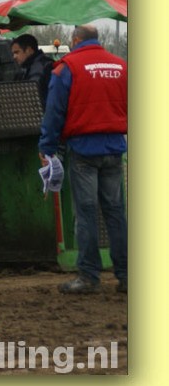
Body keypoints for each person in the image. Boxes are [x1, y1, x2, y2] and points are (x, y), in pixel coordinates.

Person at [38, 25, 127, 295]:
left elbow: (54, 110)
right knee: (115, 213)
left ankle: (88, 276)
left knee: (86, 213)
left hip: (84, 151)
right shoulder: (121, 66)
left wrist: (47, 147)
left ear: (75, 40)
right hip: (114, 148)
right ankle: (126, 276)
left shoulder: (67, 68)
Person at [11, 33, 55, 105]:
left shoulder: (47, 67)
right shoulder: (23, 71)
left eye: (17, 52)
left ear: (29, 50)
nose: (14, 57)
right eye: (13, 53)